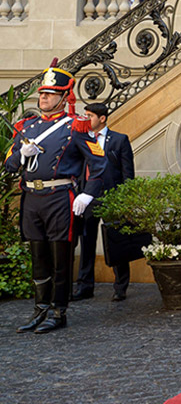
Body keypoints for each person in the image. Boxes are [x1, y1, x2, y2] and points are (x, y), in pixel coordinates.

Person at [5, 60, 106, 333]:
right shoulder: (26, 127)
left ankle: (59, 311)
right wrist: (20, 155)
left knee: (60, 258)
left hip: (60, 198)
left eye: (50, 94)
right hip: (32, 199)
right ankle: (40, 308)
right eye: (42, 93)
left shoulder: (76, 127)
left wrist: (87, 194)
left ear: (63, 97)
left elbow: (99, 164)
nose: (43, 98)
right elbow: (9, 165)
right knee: (38, 257)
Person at [73, 103, 135, 302]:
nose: (86, 119)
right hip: (87, 198)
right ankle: (84, 286)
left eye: (90, 115)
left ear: (102, 118)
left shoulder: (119, 140)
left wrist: (126, 201)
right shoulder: (80, 140)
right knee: (86, 243)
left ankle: (120, 286)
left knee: (116, 243)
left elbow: (128, 173)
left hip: (112, 199)